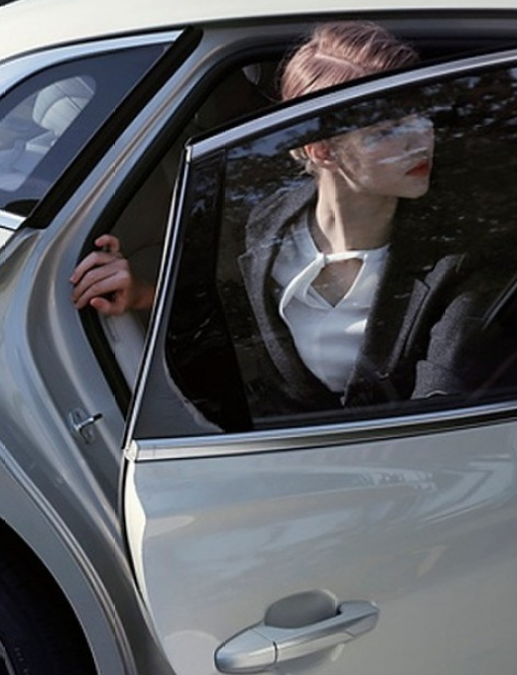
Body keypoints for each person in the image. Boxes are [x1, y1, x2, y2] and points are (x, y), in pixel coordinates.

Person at [73, 21, 489, 411]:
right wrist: (142, 294)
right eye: (386, 130)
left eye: (420, 113)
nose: (421, 139)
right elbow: (228, 325)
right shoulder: (258, 226)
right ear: (322, 151)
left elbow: (442, 396)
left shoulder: (458, 257)